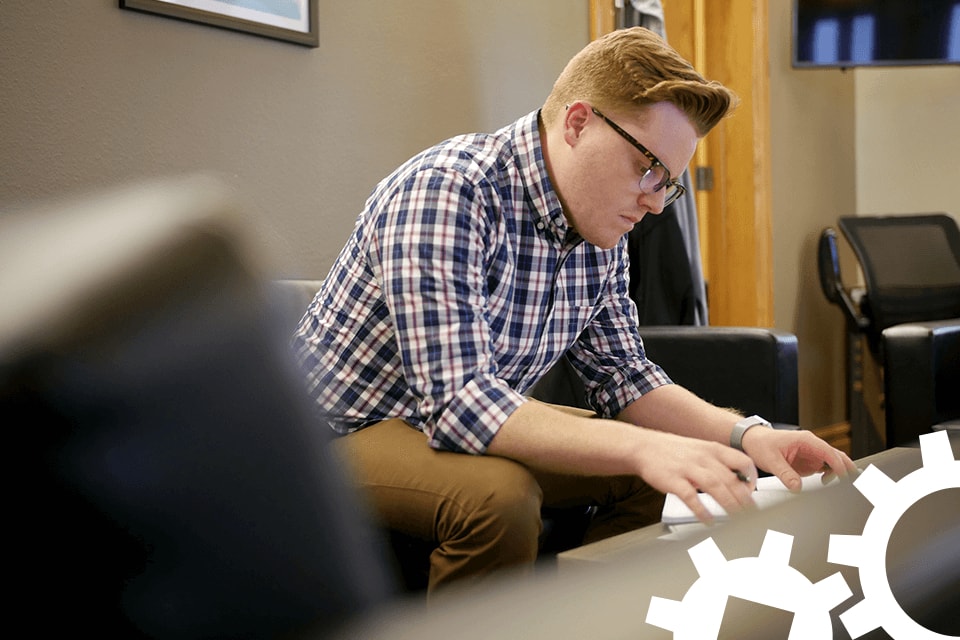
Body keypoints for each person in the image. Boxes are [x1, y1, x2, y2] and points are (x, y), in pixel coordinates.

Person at [292, 26, 856, 595]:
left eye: (670, 185)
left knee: (667, 475)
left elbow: (626, 379)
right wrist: (645, 447)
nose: (656, 202)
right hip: (335, 437)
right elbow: (460, 403)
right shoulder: (447, 191)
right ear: (578, 122)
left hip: (451, 422)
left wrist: (749, 437)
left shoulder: (599, 234)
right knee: (499, 500)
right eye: (648, 169)